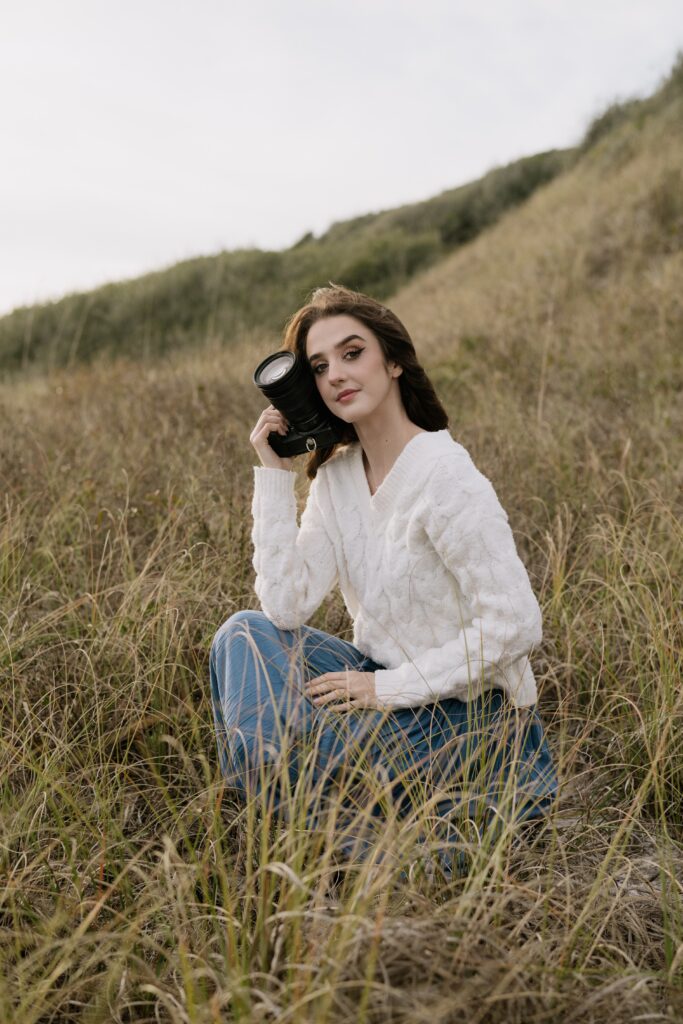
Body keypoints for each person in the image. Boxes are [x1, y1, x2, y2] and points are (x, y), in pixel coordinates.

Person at [209, 282, 559, 878]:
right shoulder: (336, 480)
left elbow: (517, 623)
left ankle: (319, 827)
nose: (337, 375)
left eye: (353, 353)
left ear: (393, 361)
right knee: (241, 636)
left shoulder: (446, 475)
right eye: (320, 367)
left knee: (291, 747)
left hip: (473, 718)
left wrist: (385, 690)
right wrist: (273, 476)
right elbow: (285, 606)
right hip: (384, 697)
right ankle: (346, 823)